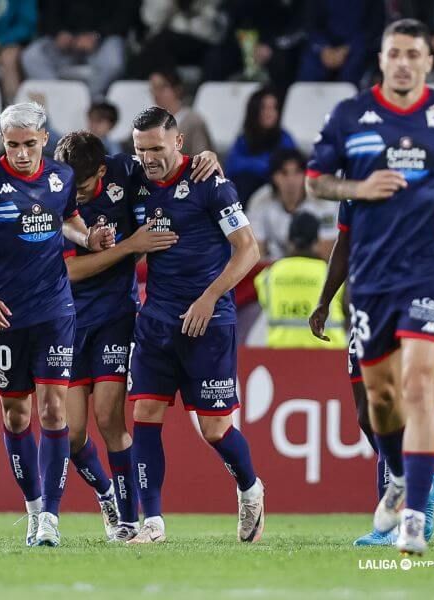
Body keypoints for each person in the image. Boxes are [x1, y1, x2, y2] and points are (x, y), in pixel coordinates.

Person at [306, 19, 434, 555]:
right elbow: (320, 189)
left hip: (429, 273)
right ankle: (404, 477)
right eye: (395, 53)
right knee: (375, 404)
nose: (404, 62)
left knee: (418, 388)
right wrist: (325, 298)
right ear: (381, 59)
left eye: (414, 53)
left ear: (428, 61)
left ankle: (412, 518)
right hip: (371, 283)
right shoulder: (351, 121)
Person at [0, 102, 114, 548]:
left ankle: (50, 519)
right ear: (4, 141)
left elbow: (68, 219)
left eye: (28, 143)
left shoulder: (60, 178)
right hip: (4, 314)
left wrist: (87, 239)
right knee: (16, 414)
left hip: (55, 311)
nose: (21, 153)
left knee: (54, 410)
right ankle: (34, 508)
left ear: (43, 138)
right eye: (12, 144)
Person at [53, 131, 221, 542]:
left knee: (110, 417)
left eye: (86, 186)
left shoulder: (126, 173)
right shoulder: (51, 195)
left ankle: (129, 520)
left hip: (115, 316)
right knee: (71, 432)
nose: (79, 195)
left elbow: (169, 170)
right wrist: (130, 246)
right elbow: (68, 272)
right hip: (68, 318)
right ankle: (106, 494)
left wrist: (208, 162)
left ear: (103, 171)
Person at [127, 106, 264, 545]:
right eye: (140, 149)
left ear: (179, 142)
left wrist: (209, 297)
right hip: (157, 320)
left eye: (156, 148)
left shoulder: (210, 183)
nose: (148, 158)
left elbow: (248, 250)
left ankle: (250, 489)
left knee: (215, 430)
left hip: (209, 321)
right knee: (145, 413)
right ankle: (153, 523)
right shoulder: (134, 181)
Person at [310, 203, 434, 546]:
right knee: (368, 415)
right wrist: (325, 299)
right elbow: (344, 242)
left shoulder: (428, 169)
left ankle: (392, 523)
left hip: (415, 301)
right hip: (368, 304)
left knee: (396, 405)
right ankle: (424, 482)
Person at [254, 211, 345, 349]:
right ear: (317, 241)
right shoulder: (332, 274)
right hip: (328, 359)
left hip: (280, 359)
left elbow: (266, 305)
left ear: (289, 240)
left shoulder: (268, 275)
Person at [20, 0, 130, 99]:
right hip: (64, 42)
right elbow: (46, 12)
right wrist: (58, 32)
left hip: (102, 40)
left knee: (113, 62)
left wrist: (98, 35)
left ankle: (89, 99)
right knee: (31, 56)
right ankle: (59, 96)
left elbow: (125, 14)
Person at [247, 149, 338, 261]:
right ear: (273, 177)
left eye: (297, 172)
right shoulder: (260, 200)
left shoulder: (323, 201)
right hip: (272, 269)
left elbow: (327, 251)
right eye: (284, 173)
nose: (291, 180)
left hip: (312, 268)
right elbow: (255, 251)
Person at [225, 87, 297, 202]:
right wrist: (259, 165)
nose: (270, 113)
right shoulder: (244, 138)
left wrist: (252, 164)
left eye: (273, 108)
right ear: (254, 111)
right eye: (264, 108)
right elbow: (232, 166)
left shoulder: (284, 138)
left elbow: (285, 169)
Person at [296, 0, 384, 85]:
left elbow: (373, 27)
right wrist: (324, 48)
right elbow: (311, 23)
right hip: (324, 46)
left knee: (353, 70)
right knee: (309, 68)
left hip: (357, 45)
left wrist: (347, 49)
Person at [149, 69, 213, 158]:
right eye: (153, 88)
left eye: (162, 87)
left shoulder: (193, 121)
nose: (156, 93)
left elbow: (202, 159)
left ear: (177, 89)